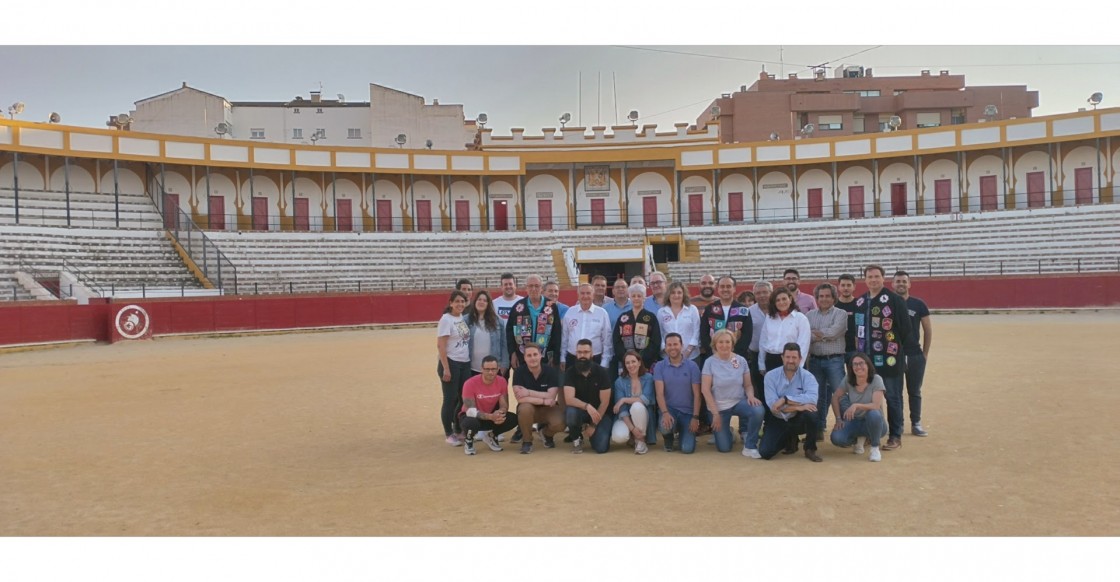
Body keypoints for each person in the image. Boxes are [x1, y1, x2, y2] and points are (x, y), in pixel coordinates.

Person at [853, 264, 912, 451]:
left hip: (890, 358)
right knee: (870, 398)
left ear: (883, 278)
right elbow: (858, 330)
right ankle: (874, 432)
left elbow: (905, 329)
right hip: (868, 361)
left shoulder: (894, 300)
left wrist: (891, 348)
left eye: (877, 276)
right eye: (870, 277)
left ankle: (895, 436)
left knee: (893, 397)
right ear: (865, 279)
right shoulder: (860, 302)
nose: (873, 280)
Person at [701, 329, 765, 458]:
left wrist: (751, 396)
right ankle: (729, 432)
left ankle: (750, 445)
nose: (724, 345)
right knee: (724, 448)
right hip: (718, 408)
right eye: (721, 342)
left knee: (758, 410)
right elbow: (705, 390)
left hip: (738, 402)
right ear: (715, 344)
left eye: (727, 342)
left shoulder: (741, 361)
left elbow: (747, 385)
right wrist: (715, 414)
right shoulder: (709, 362)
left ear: (732, 343)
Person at [759, 343, 822, 462]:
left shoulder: (808, 377)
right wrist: (799, 407)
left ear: (800, 359)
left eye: (794, 358)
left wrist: (785, 399)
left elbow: (813, 398)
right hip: (778, 418)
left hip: (798, 419)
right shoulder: (770, 376)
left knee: (812, 413)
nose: (790, 361)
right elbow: (773, 406)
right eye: (787, 357)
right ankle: (789, 439)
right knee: (765, 453)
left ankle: (810, 449)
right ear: (782, 357)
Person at [894, 270, 932, 438]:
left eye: (904, 281)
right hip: (893, 355)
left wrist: (924, 353)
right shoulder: (888, 304)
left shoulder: (918, 304)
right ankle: (899, 424)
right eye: (898, 281)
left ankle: (916, 423)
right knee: (896, 391)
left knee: (914, 391)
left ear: (909, 284)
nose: (901, 284)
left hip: (915, 354)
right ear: (892, 284)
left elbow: (927, 329)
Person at [829, 352, 887, 462]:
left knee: (874, 413)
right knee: (837, 438)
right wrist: (838, 419)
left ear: (868, 365)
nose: (858, 367)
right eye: (855, 364)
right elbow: (835, 397)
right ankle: (858, 440)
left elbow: (875, 405)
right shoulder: (848, 379)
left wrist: (856, 405)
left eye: (861, 363)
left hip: (875, 423)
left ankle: (874, 448)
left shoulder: (876, 379)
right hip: (855, 420)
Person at [806, 282, 847, 435]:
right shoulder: (809, 315)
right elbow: (806, 336)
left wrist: (817, 334)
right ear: (816, 298)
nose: (824, 299)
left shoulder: (841, 313)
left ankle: (846, 429)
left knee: (840, 393)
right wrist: (822, 335)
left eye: (827, 296)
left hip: (834, 360)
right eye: (821, 296)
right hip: (815, 360)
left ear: (833, 297)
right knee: (817, 396)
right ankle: (818, 430)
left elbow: (834, 332)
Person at [511, 344, 565, 454]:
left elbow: (551, 396)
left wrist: (528, 392)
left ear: (541, 355)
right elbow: (520, 399)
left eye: (535, 354)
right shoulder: (519, 372)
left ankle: (546, 434)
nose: (533, 358)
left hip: (547, 409)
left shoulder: (550, 371)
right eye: (529, 355)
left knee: (562, 421)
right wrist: (543, 400)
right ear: (524, 358)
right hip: (530, 408)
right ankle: (527, 441)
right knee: (525, 408)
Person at [459, 356, 519, 455]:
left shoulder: (502, 381)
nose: (491, 372)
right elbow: (471, 411)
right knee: (471, 422)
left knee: (513, 419)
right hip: (472, 417)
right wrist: (491, 416)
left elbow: (504, 404)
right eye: (487, 369)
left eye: (493, 369)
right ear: (481, 369)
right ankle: (469, 440)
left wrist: (500, 413)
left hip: (491, 417)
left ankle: (491, 435)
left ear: (498, 368)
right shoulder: (470, 383)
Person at [654, 333, 702, 453]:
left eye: (675, 344)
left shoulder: (692, 366)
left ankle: (682, 435)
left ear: (682, 345)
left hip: (688, 413)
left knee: (687, 449)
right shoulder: (659, 366)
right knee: (665, 427)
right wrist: (665, 413)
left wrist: (695, 417)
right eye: (669, 345)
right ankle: (669, 438)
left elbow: (697, 394)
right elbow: (659, 394)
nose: (672, 347)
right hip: (669, 410)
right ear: (665, 347)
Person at [564, 339, 613, 454]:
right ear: (576, 353)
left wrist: (593, 425)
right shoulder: (570, 372)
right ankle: (577, 438)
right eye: (579, 352)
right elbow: (569, 399)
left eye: (586, 352)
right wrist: (587, 406)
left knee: (601, 448)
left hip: (600, 413)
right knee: (570, 412)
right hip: (580, 411)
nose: (582, 355)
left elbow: (605, 402)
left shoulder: (602, 372)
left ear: (592, 353)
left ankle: (592, 433)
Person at [437, 290, 472, 446]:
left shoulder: (461, 318)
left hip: (464, 362)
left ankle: (457, 429)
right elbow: (441, 345)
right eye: (457, 301)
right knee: (450, 399)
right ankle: (449, 433)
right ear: (450, 303)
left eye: (462, 301)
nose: (460, 304)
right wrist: (446, 368)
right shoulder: (446, 319)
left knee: (462, 398)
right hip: (451, 362)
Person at [506, 274, 563, 369]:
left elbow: (557, 333)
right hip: (523, 358)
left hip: (546, 358)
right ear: (526, 288)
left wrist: (555, 356)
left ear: (541, 288)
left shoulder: (551, 306)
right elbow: (509, 332)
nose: (534, 289)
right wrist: (512, 353)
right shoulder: (518, 307)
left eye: (537, 286)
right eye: (530, 286)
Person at [757, 288, 811, 377]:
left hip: (791, 361)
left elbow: (803, 344)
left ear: (790, 299)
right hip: (772, 360)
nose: (781, 302)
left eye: (784, 299)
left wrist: (799, 366)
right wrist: (761, 364)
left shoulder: (800, 318)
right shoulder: (769, 318)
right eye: (778, 300)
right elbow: (763, 341)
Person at [610, 350, 655, 454]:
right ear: (624, 365)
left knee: (637, 406)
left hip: (643, 415)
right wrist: (632, 429)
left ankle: (640, 441)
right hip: (626, 418)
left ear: (639, 362)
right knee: (618, 437)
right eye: (627, 363)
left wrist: (623, 399)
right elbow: (622, 410)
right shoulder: (619, 381)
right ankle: (633, 436)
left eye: (633, 361)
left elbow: (646, 399)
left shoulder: (648, 378)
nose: (631, 365)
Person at [560, 283, 613, 367]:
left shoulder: (602, 313)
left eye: (588, 293)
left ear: (593, 295)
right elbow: (564, 338)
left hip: (595, 359)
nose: (585, 296)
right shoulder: (570, 312)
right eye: (582, 293)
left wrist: (605, 362)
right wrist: (562, 357)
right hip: (573, 358)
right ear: (578, 296)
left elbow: (607, 340)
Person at [613, 283, 661, 372]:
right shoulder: (623, 317)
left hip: (646, 362)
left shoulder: (651, 317)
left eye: (639, 296)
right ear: (630, 298)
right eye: (633, 296)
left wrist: (643, 358)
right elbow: (616, 339)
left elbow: (655, 340)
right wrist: (625, 357)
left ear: (644, 298)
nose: (636, 298)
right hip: (627, 363)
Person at [465, 289, 507, 376]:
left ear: (488, 304)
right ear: (475, 301)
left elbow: (504, 344)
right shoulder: (466, 320)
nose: (481, 302)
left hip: (492, 368)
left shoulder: (498, 321)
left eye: (485, 300)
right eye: (479, 299)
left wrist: (504, 363)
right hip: (471, 367)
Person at [658, 281, 700, 361]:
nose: (676, 295)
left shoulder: (692, 309)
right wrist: (668, 352)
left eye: (679, 292)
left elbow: (696, 332)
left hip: (691, 357)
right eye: (673, 292)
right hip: (668, 357)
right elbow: (660, 333)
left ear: (683, 294)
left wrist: (687, 352)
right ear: (668, 295)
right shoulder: (661, 312)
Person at [747, 281, 773, 402]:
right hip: (756, 355)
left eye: (765, 292)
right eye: (758, 293)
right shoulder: (749, 311)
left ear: (771, 293)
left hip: (775, 355)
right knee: (759, 388)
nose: (762, 296)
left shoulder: (778, 309)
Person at [835, 274, 859, 360]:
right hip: (837, 350)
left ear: (854, 286)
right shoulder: (833, 305)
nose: (846, 288)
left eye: (849, 285)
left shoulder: (859, 304)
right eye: (843, 285)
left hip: (855, 349)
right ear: (838, 287)